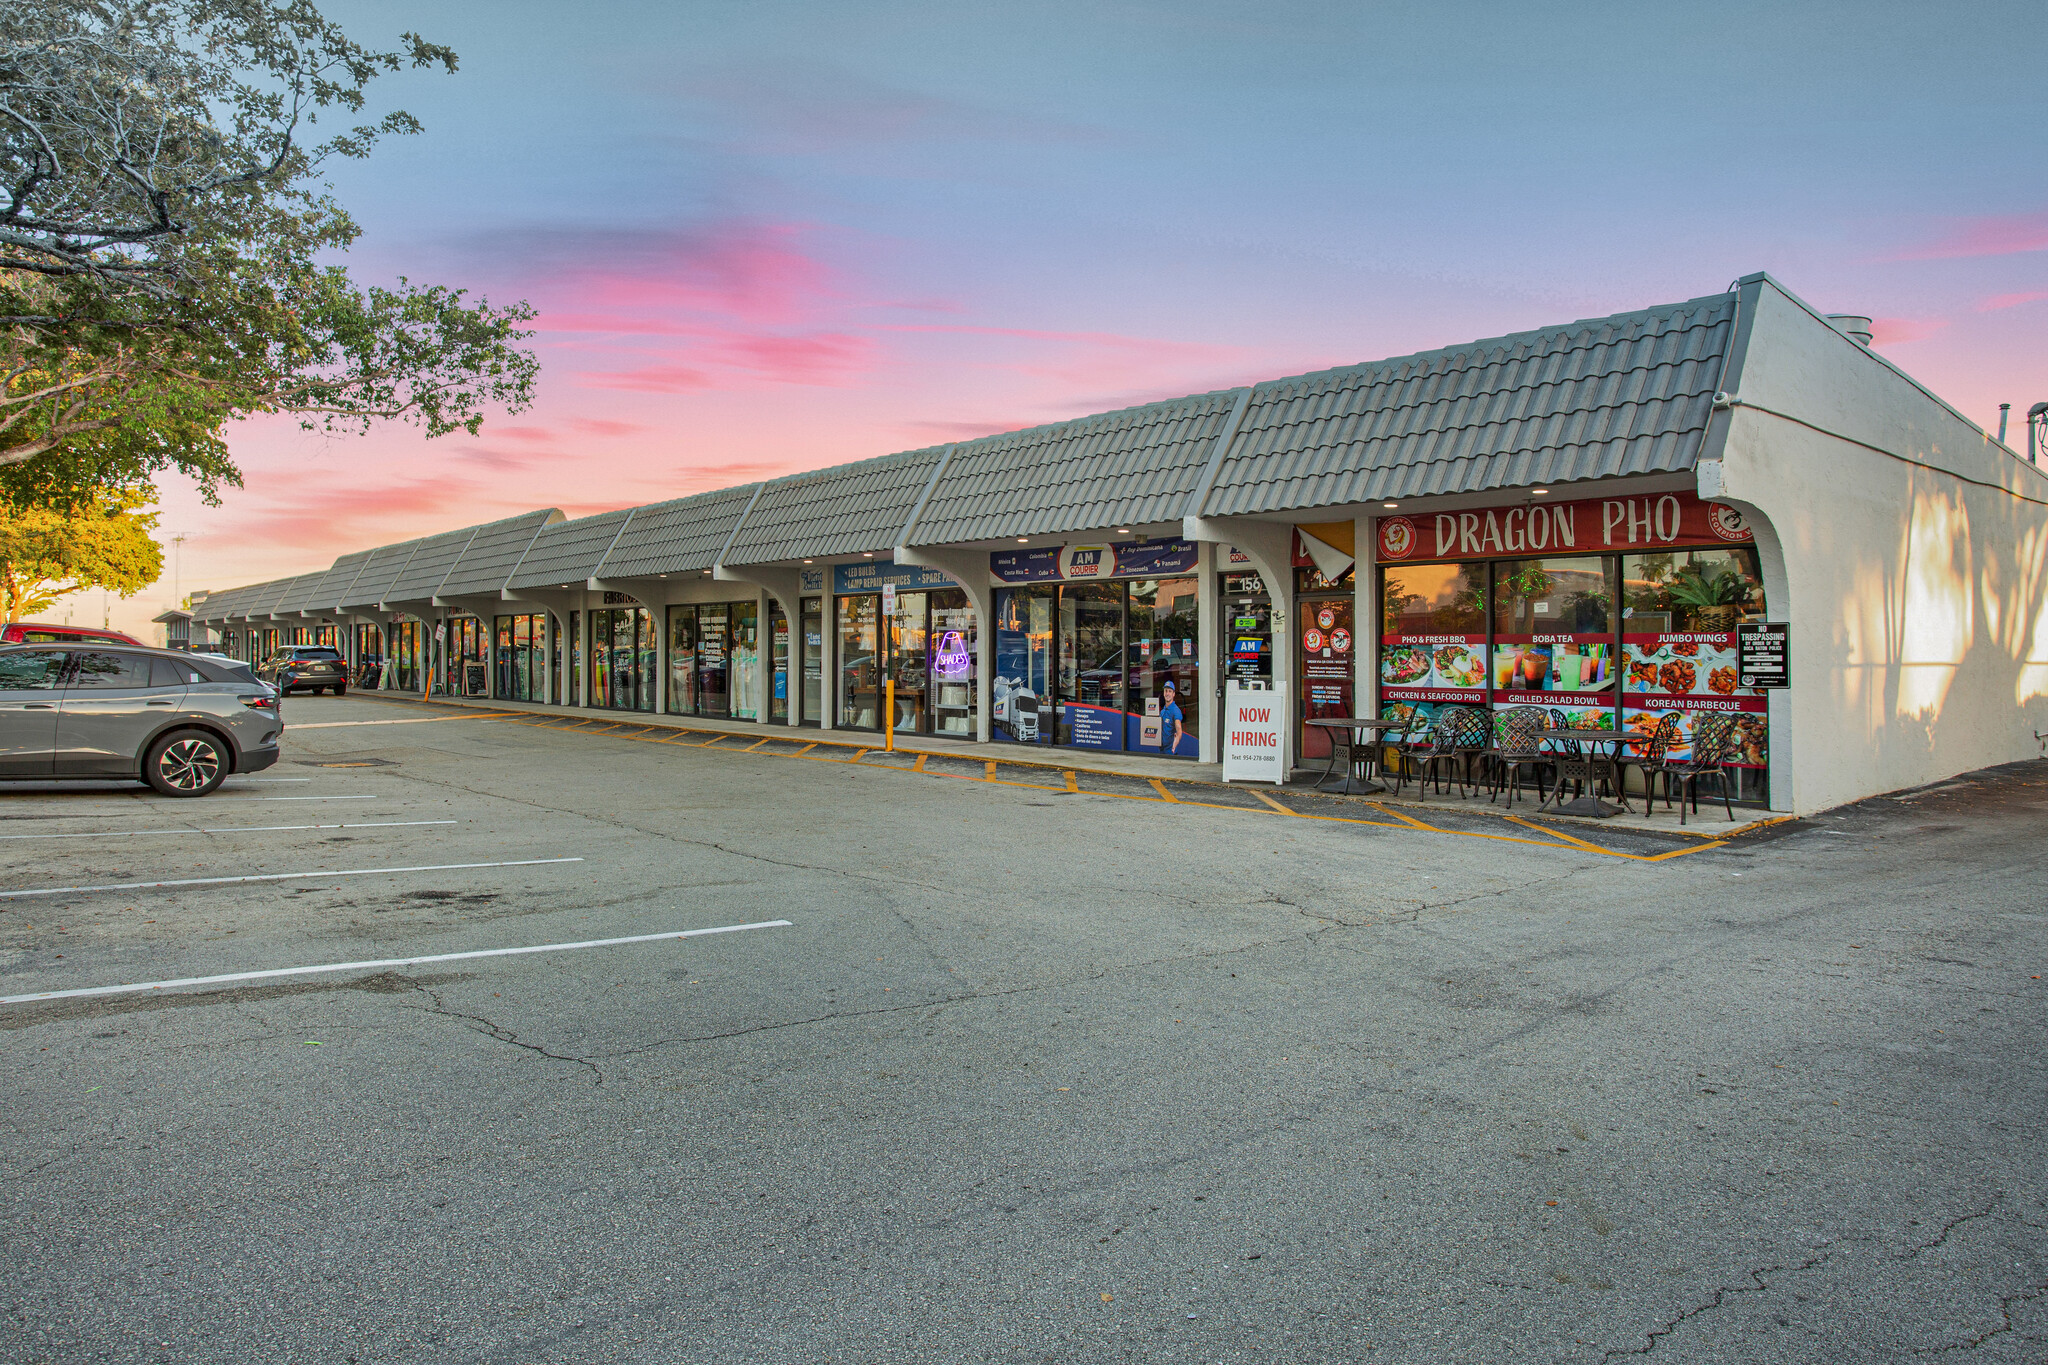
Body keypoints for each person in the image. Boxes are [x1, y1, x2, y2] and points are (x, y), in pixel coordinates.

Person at [1159, 678, 1186, 753]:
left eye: (1170, 691)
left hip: (1170, 752)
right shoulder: (1163, 710)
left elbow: (1179, 729)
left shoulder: (1175, 711)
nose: (1167, 693)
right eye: (1166, 691)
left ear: (1173, 694)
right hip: (1161, 751)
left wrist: (1175, 744)